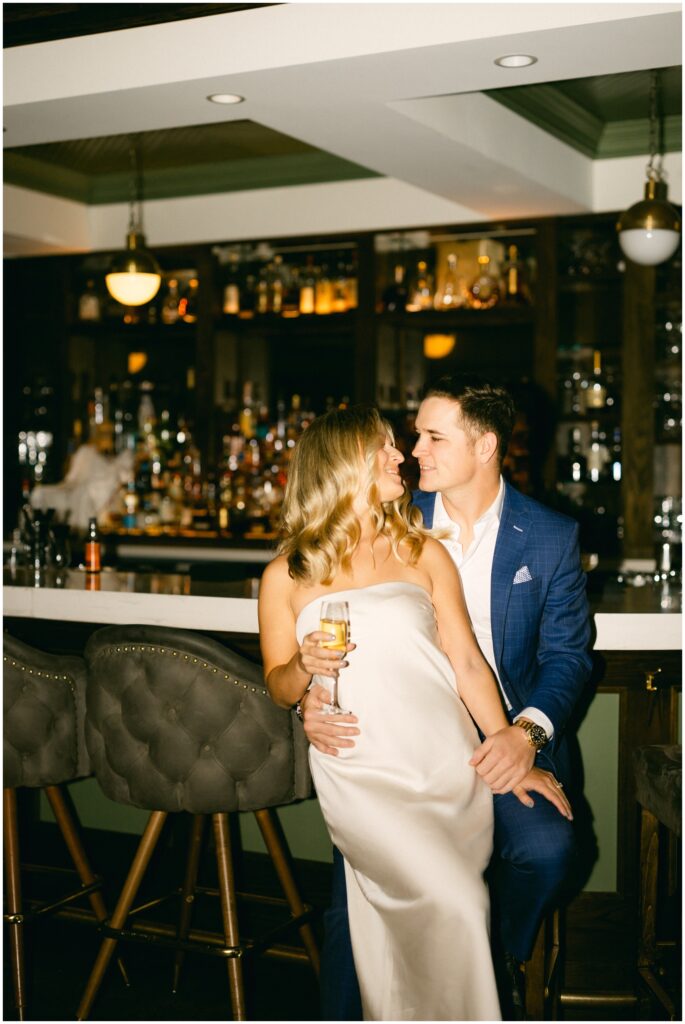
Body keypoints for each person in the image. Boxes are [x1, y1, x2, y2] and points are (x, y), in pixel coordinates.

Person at [258, 404, 572, 1022]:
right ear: (346, 464)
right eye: (384, 448)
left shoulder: (423, 552)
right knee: (454, 904)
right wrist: (306, 668)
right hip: (361, 771)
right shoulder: (284, 575)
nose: (400, 454)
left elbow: (468, 663)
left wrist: (517, 749)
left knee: (447, 912)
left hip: (443, 764)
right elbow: (278, 685)